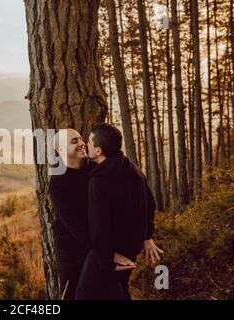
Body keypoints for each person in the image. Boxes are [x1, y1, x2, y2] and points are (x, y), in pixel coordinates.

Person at [75, 123, 163, 300]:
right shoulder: (134, 170)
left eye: (90, 143)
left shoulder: (99, 181)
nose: (86, 145)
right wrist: (146, 236)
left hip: (109, 252)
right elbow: (150, 203)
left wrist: (107, 258)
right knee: (117, 290)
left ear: (99, 151)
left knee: (84, 294)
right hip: (131, 246)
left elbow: (99, 226)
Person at [49, 128, 138, 300]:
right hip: (74, 255)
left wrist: (145, 234)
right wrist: (108, 255)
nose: (82, 143)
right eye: (74, 141)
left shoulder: (97, 168)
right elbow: (77, 228)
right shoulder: (58, 183)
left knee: (115, 293)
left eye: (81, 139)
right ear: (59, 151)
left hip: (103, 249)